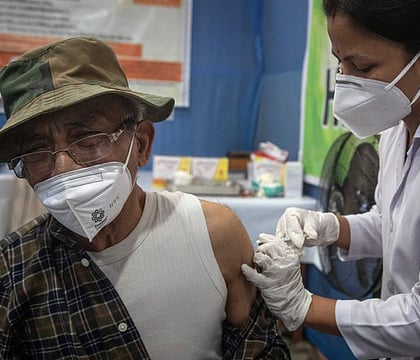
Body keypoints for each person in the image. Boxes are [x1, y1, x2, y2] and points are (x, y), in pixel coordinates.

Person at [0, 37, 290, 359]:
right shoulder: (13, 270)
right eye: (38, 150)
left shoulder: (212, 235)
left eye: (88, 138)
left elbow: (259, 349)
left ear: (141, 143)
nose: (63, 169)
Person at [242, 0, 420, 359]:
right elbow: (394, 223)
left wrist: (302, 305)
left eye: (362, 66)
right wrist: (328, 227)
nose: (345, 80)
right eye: (339, 61)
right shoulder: (400, 127)